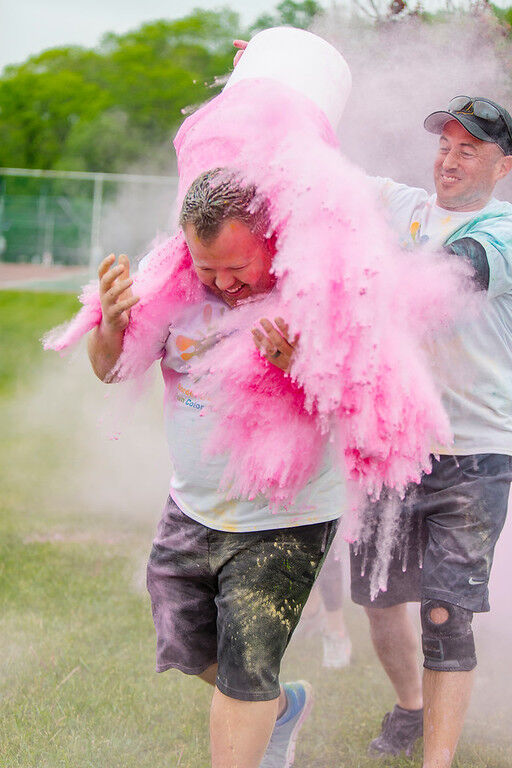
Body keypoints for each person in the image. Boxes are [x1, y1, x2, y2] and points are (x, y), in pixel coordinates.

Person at [87, 168, 342, 768]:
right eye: (209, 269)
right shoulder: (170, 292)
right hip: (192, 508)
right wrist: (112, 326)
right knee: (184, 642)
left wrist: (299, 366)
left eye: (238, 267)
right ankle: (280, 709)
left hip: (285, 517)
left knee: (245, 666)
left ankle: (256, 716)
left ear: (267, 240)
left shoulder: (313, 291)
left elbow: (360, 412)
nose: (224, 284)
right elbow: (109, 369)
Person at [349, 96, 512, 768]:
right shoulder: (408, 207)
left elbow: (451, 277)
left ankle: (436, 762)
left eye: (468, 148)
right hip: (393, 448)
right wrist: (273, 85)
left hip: (475, 456)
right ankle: (411, 707)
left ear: (504, 166)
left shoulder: (501, 231)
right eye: (445, 145)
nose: (449, 159)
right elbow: (317, 170)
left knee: (446, 615)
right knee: (380, 600)